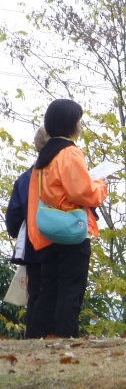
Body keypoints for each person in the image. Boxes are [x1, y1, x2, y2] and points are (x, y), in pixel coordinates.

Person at [26, 99, 109, 338]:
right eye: (78, 120)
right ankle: (67, 336)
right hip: (72, 228)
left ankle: (39, 336)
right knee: (71, 288)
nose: (80, 124)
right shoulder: (70, 153)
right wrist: (101, 186)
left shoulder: (44, 156)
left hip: (48, 229)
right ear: (70, 123)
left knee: (49, 287)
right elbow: (81, 193)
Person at [5, 127, 50, 335]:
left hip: (32, 245)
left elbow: (13, 220)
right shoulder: (58, 175)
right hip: (60, 243)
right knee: (59, 293)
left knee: (36, 294)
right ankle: (57, 336)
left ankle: (33, 337)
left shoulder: (24, 179)